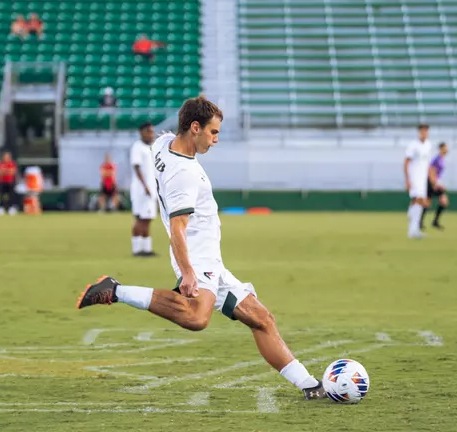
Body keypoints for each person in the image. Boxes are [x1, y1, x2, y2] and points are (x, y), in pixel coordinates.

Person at [76, 96, 327, 400]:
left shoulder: (164, 143)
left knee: (261, 319)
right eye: (213, 132)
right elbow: (178, 230)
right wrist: (188, 272)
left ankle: (311, 386)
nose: (216, 139)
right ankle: (115, 291)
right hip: (197, 255)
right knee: (197, 318)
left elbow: (166, 137)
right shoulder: (184, 174)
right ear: (194, 128)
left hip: (211, 259)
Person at [129, 122, 158, 257]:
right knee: (140, 218)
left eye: (152, 131)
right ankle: (137, 248)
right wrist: (145, 186)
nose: (151, 134)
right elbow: (137, 167)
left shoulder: (152, 147)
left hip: (151, 189)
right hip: (141, 190)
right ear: (141, 132)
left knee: (148, 218)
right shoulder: (137, 147)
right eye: (148, 131)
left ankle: (146, 249)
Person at [404, 124, 433, 239]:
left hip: (422, 178)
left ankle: (413, 229)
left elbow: (428, 164)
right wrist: (407, 179)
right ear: (419, 132)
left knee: (420, 204)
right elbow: (406, 162)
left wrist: (430, 179)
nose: (424, 133)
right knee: (420, 201)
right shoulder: (413, 145)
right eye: (422, 131)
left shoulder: (429, 145)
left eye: (426, 131)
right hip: (414, 177)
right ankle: (413, 229)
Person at [421, 142, 450, 230]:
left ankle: (434, 222)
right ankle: (420, 222)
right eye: (446, 147)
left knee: (443, 201)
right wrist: (434, 184)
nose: (447, 149)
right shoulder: (437, 159)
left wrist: (438, 183)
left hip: (434, 182)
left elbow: (437, 174)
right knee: (427, 203)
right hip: (431, 183)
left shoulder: (442, 159)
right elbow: (431, 170)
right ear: (441, 149)